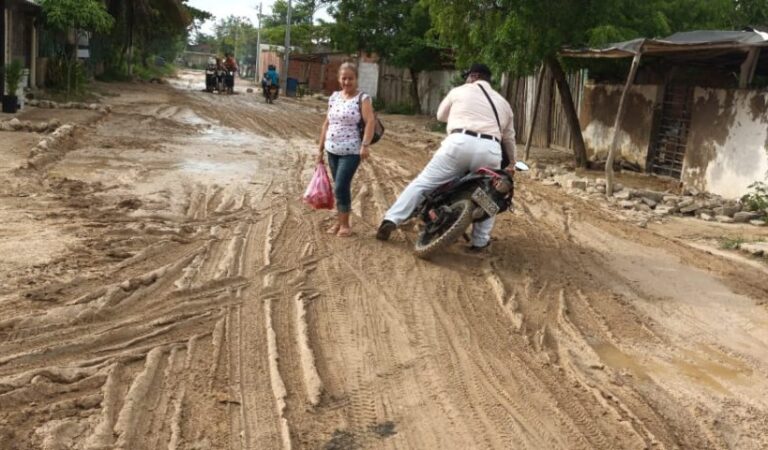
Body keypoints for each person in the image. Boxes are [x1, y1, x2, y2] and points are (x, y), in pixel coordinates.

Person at [376, 63, 517, 251]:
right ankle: (480, 241)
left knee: (424, 182)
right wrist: (513, 163)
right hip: (490, 149)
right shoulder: (503, 103)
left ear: (473, 76)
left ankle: (392, 219)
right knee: (489, 195)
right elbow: (509, 137)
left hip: (458, 142)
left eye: (467, 76)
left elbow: (440, 116)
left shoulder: (459, 91)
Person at [316, 62, 376, 237]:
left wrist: (365, 145)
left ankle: (345, 226)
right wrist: (320, 150)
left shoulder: (363, 98)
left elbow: (370, 122)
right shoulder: (334, 97)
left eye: (350, 78)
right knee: (338, 187)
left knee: (341, 186)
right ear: (339, 79)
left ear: (356, 79)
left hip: (351, 151)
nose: (347, 82)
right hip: (331, 149)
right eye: (344, 78)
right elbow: (326, 124)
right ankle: (339, 222)